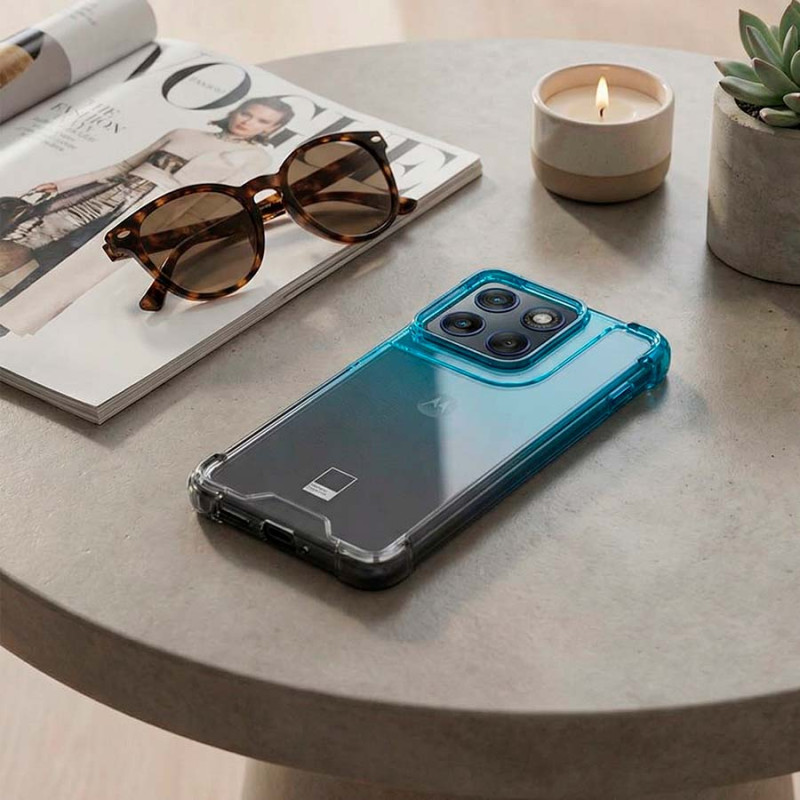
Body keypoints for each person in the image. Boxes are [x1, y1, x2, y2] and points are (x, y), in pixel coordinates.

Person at [0, 96, 294, 327]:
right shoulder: (183, 133)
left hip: (154, 215)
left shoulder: (256, 157)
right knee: (26, 241)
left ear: (271, 129)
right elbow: (123, 167)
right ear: (235, 111)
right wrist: (62, 184)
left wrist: (168, 237)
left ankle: (9, 319)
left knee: (70, 269)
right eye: (246, 113)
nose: (248, 122)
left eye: (262, 121)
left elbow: (210, 201)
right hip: (100, 196)